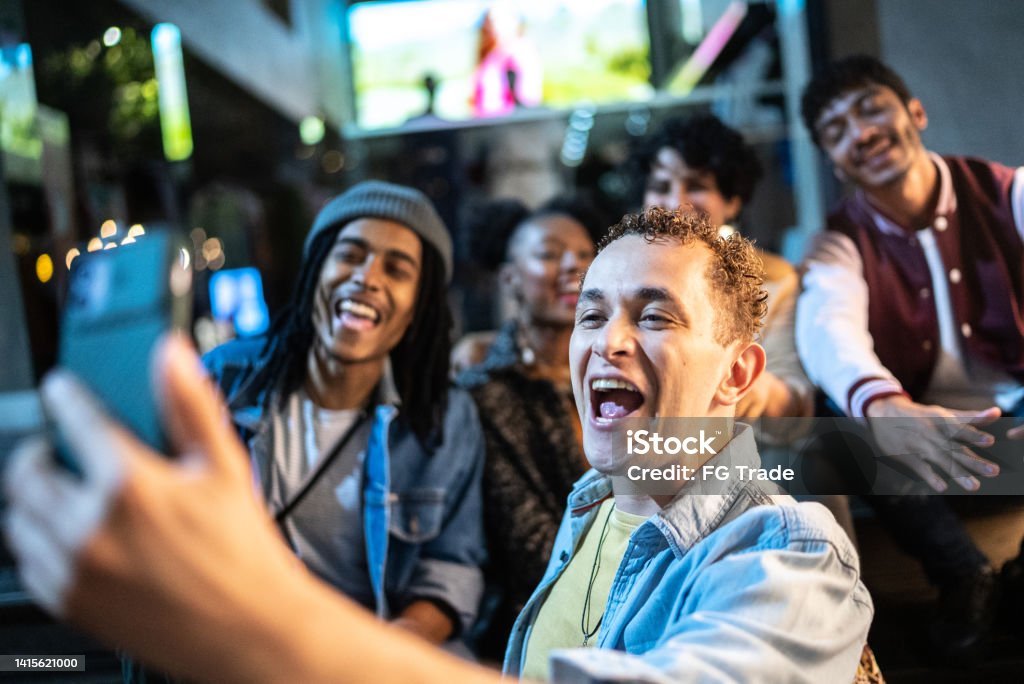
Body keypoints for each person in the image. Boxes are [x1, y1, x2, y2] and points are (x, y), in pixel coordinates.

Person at [4, 207, 874, 683]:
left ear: (736, 375)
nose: (605, 343)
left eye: (652, 315)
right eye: (590, 314)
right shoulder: (595, 503)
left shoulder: (787, 551)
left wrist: (260, 622)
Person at [797, 54, 1024, 658]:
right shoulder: (838, 243)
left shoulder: (1009, 193)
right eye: (836, 130)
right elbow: (829, 327)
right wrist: (885, 405)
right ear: (832, 160)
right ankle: (962, 574)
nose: (861, 132)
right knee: (835, 428)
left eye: (872, 108)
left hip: (1016, 427)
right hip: (921, 451)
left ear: (914, 112)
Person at [201, 180, 487, 645]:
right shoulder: (223, 380)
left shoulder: (446, 417)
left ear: (418, 308)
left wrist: (385, 652)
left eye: (396, 270)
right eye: (351, 255)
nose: (367, 277)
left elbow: (452, 570)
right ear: (318, 269)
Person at [455, 198, 597, 657]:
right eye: (550, 253)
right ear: (509, 277)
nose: (573, 265)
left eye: (584, 253)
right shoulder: (483, 392)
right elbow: (532, 546)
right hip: (532, 637)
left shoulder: (618, 371)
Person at [639, 114, 814, 423]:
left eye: (696, 185)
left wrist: (722, 378)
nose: (675, 202)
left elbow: (794, 409)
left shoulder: (772, 281)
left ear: (732, 201)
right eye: (660, 185)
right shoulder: (622, 278)